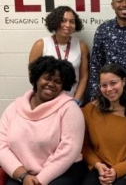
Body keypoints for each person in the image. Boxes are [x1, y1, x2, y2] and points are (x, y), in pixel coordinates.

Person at [0, 56, 86, 185]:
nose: (51, 84)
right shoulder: (14, 108)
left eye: (57, 81)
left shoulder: (70, 109)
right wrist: (23, 176)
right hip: (21, 174)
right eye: (47, 78)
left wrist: (40, 180)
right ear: (36, 79)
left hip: (61, 173)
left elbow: (69, 150)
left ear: (63, 85)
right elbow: (1, 146)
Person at [82, 63, 126, 185]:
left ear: (124, 81)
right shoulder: (90, 110)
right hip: (98, 168)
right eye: (104, 85)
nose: (109, 89)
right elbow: (84, 146)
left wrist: (118, 170)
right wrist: (98, 165)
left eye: (113, 83)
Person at [29, 6, 89, 102]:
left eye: (72, 21)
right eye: (63, 21)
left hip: (71, 100)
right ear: (55, 22)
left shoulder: (81, 46)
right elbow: (33, 75)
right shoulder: (41, 45)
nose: (68, 25)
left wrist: (76, 99)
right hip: (47, 101)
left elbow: (84, 77)